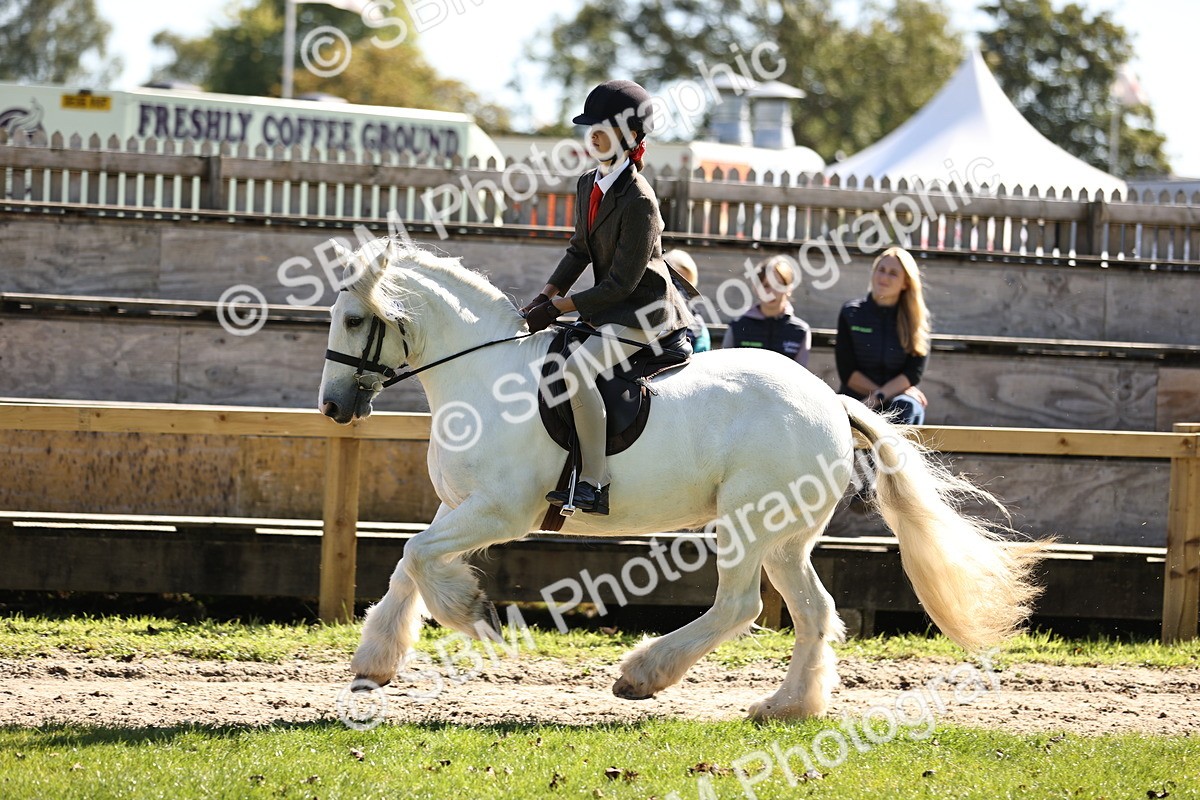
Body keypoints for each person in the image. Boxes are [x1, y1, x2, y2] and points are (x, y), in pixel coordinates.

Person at [519, 79, 692, 516]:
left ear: (632, 137)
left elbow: (620, 285)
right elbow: (579, 249)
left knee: (576, 370)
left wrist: (559, 309)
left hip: (644, 313)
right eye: (590, 127)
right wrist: (544, 295)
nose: (593, 135)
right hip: (610, 307)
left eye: (605, 128)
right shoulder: (586, 184)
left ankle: (595, 481)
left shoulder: (641, 201)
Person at [835, 246, 931, 425]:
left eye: (893, 273)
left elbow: (913, 373)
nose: (884, 277)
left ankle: (890, 453)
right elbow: (848, 373)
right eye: (881, 270)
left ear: (906, 283)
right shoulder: (851, 313)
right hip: (859, 397)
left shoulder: (917, 320)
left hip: (899, 399)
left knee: (905, 406)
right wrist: (877, 396)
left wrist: (881, 396)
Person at [722, 255, 811, 368]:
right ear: (756, 288)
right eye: (766, 285)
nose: (771, 292)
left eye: (778, 285)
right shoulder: (737, 326)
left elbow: (801, 376)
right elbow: (725, 368)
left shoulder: (800, 331)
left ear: (789, 289)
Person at [663, 248, 710, 352]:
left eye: (686, 283)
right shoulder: (654, 315)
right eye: (674, 281)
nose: (679, 289)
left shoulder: (697, 323)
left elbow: (702, 355)